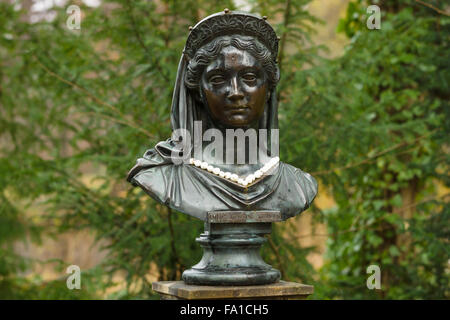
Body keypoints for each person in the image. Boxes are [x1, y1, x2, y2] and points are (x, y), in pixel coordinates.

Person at [127, 10, 317, 221]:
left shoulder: (299, 185)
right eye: (218, 79)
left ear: (269, 88)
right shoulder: (165, 177)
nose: (235, 92)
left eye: (250, 77)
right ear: (199, 91)